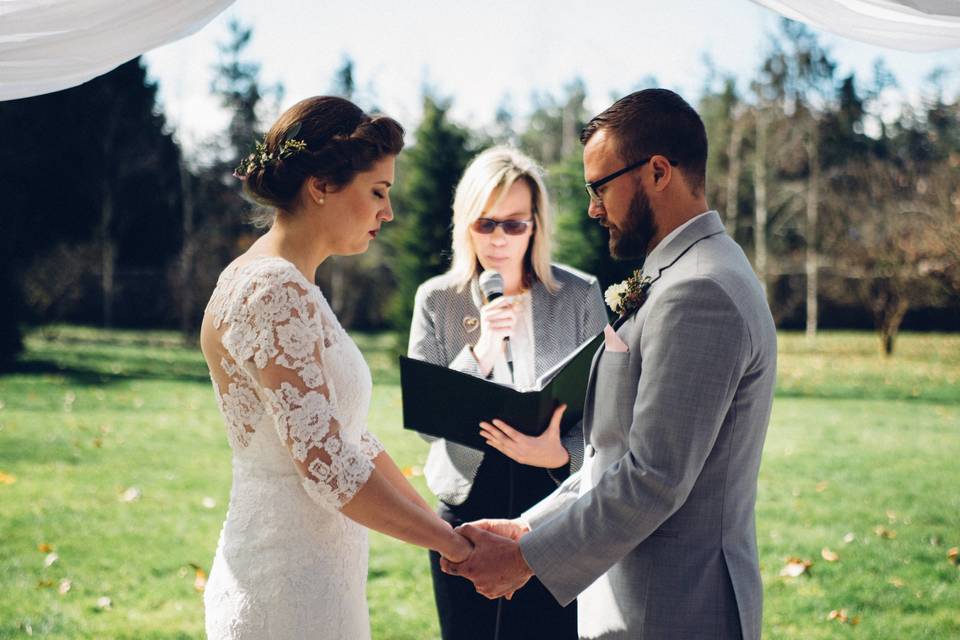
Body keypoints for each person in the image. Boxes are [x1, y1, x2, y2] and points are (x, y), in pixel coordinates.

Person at [442, 89, 778, 640]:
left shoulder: (701, 290)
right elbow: (612, 456)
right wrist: (526, 527)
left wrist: (524, 560)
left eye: (600, 187)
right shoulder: (679, 272)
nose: (594, 207)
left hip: (673, 611)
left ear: (658, 171)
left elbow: (653, 478)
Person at [199, 96, 472, 640]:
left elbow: (353, 439)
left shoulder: (294, 285)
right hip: (286, 588)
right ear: (321, 185)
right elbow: (325, 464)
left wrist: (442, 527)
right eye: (378, 192)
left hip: (316, 574)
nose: (387, 213)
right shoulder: (272, 289)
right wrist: (450, 545)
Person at [408, 145, 608, 639]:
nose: (498, 238)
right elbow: (427, 418)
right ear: (465, 224)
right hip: (467, 494)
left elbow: (610, 414)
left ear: (535, 225)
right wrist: (479, 353)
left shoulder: (581, 295)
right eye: (485, 223)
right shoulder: (438, 299)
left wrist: (561, 454)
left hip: (555, 497)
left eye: (514, 224)